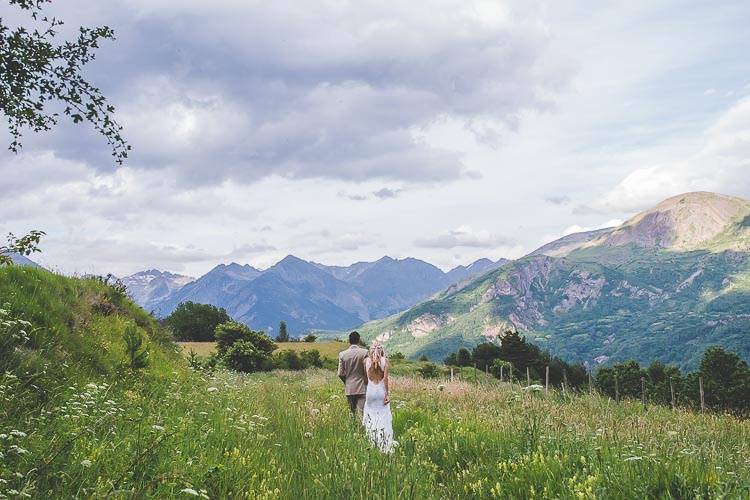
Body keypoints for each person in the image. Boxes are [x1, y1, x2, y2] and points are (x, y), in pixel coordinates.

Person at [363, 341, 394, 453]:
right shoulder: (385, 361)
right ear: (382, 350)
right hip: (381, 391)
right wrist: (387, 394)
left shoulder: (365, 361)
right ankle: (384, 441)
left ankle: (372, 440)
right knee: (383, 415)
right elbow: (385, 379)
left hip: (370, 391)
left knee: (371, 415)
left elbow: (365, 379)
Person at [337, 330, 368, 414]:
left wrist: (346, 381)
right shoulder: (365, 353)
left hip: (349, 387)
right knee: (361, 413)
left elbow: (340, 373)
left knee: (352, 413)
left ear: (349, 341)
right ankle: (361, 427)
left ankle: (352, 427)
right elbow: (368, 370)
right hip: (362, 387)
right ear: (359, 340)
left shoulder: (342, 354)